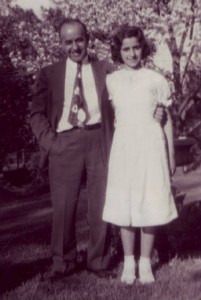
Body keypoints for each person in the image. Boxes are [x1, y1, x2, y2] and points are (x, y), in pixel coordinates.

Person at [30, 18, 165, 281]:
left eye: (79, 40)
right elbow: (36, 114)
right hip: (64, 142)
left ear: (87, 39)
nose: (74, 46)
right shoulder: (49, 73)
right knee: (64, 206)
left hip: (99, 140)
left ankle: (98, 260)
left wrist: (157, 109)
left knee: (101, 203)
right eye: (68, 42)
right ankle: (63, 263)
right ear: (61, 44)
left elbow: (135, 90)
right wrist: (50, 143)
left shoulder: (107, 71)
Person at [102, 25, 178, 285]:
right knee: (125, 203)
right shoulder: (112, 80)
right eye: (126, 49)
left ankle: (145, 262)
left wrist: (171, 155)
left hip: (151, 145)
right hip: (124, 148)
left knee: (150, 200)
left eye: (136, 47)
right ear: (118, 51)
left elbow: (165, 119)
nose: (132, 54)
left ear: (142, 48)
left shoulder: (155, 79)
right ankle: (129, 261)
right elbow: (112, 120)